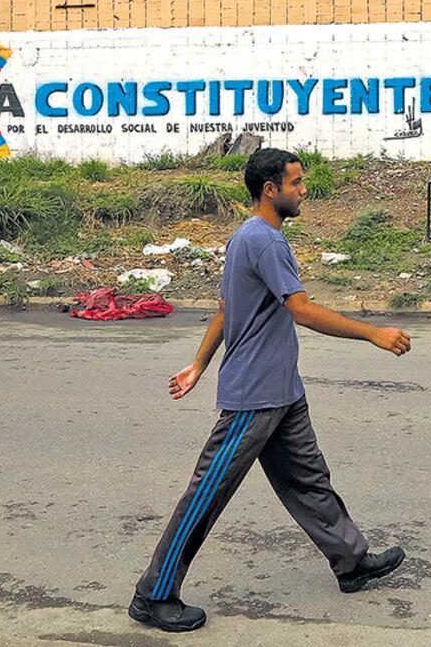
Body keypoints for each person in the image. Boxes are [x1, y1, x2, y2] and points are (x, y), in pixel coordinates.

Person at [129, 148, 412, 633]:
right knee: (207, 493)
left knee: (309, 481)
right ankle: (153, 594)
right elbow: (299, 309)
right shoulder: (264, 241)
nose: (304, 191)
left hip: (282, 392)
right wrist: (372, 332)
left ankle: (351, 561)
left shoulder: (250, 237)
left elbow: (226, 307)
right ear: (270, 190)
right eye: (297, 183)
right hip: (253, 396)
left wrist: (198, 364)